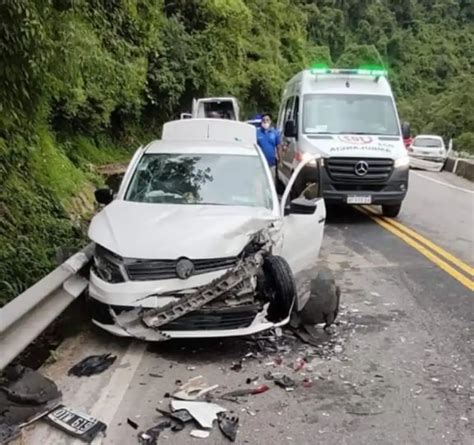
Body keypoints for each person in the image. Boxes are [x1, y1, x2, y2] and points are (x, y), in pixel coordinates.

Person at [256, 113, 282, 182]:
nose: (265, 122)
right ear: (261, 122)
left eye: (267, 120)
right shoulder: (257, 133)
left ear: (270, 121)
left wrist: (280, 160)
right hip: (259, 164)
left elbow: (278, 147)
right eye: (263, 120)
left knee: (271, 182)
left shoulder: (275, 133)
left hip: (271, 164)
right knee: (261, 183)